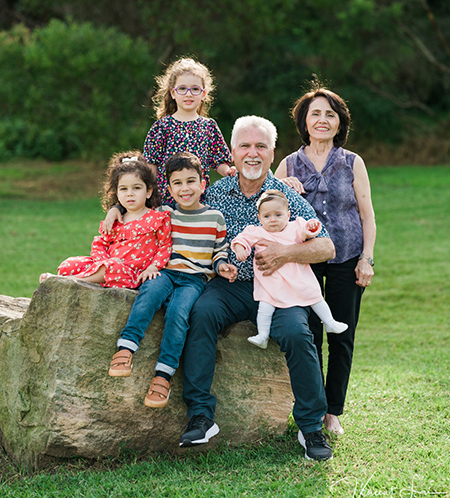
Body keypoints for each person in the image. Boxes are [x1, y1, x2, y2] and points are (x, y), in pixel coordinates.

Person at [179, 115, 336, 462]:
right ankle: (201, 415)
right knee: (201, 313)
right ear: (232, 152)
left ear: (271, 152)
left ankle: (310, 427)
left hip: (279, 290)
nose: (253, 153)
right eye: (245, 146)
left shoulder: (285, 197)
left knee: (297, 333)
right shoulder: (215, 194)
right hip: (231, 287)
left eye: (260, 146)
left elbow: (327, 247)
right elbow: (174, 215)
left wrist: (286, 253)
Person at [274, 81, 376, 436]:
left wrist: (368, 258)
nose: (322, 120)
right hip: (304, 261)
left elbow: (367, 215)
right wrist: (284, 188)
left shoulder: (352, 162)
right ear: (304, 121)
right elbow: (269, 213)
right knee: (310, 334)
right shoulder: (287, 164)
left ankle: (333, 410)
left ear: (339, 123)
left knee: (342, 335)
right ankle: (313, 407)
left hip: (348, 257)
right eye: (314, 113)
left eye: (329, 114)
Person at [108, 152, 238, 410]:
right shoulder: (164, 213)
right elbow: (134, 205)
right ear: (169, 188)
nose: (185, 188)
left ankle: (163, 375)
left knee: (179, 314)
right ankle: (126, 348)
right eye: (177, 183)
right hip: (165, 272)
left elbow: (220, 250)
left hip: (194, 280)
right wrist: (115, 208)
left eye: (191, 181)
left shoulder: (215, 218)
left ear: (203, 185)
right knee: (149, 294)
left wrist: (222, 266)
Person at [231, 189, 347, 349]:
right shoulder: (257, 232)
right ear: (259, 218)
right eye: (267, 216)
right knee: (265, 307)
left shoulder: (294, 227)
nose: (273, 220)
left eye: (278, 215)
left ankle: (330, 322)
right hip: (270, 281)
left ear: (287, 214)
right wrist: (240, 249)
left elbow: (308, 232)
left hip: (297, 276)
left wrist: (312, 227)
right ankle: (262, 335)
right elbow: (241, 239)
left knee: (315, 296)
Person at [39, 152, 172, 288]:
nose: (130, 193)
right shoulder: (116, 218)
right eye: (123, 189)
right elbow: (100, 244)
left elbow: (165, 246)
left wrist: (153, 267)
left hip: (130, 273)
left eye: (136, 188)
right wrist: (102, 261)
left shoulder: (157, 218)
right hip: (107, 264)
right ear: (117, 193)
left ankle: (68, 281)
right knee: (70, 264)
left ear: (148, 191)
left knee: (112, 267)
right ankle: (75, 278)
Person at [143, 57, 236, 204]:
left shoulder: (209, 126)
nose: (188, 94)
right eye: (182, 89)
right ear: (173, 93)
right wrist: (150, 194)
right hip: (167, 200)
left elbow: (218, 160)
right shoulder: (162, 127)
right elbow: (151, 164)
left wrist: (227, 171)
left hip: (198, 200)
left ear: (203, 94)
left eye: (195, 89)